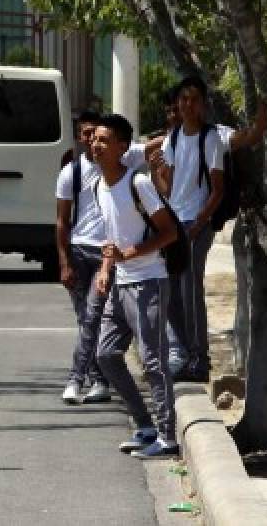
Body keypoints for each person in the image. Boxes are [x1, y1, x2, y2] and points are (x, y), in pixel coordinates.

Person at [54, 111, 161, 405]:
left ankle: (78, 379)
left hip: (108, 255)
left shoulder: (125, 168)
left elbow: (157, 146)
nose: (94, 142)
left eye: (100, 137)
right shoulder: (72, 173)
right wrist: (63, 262)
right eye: (89, 135)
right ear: (81, 137)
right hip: (79, 252)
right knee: (86, 319)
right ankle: (98, 379)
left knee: (93, 317)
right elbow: (62, 220)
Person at [91, 113, 180, 460]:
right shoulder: (99, 185)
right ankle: (144, 425)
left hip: (149, 282)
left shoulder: (138, 183)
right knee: (106, 355)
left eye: (104, 140)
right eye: (94, 139)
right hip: (120, 281)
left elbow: (169, 232)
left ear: (122, 147)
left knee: (153, 360)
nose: (95, 146)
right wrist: (106, 268)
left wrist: (130, 254)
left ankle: (167, 436)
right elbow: (112, 238)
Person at [157, 76, 224, 382]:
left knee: (190, 289)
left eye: (193, 99)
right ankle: (181, 352)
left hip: (196, 223)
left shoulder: (210, 138)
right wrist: (157, 173)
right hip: (175, 221)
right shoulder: (172, 137)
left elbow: (218, 190)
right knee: (170, 290)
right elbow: (168, 187)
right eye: (183, 99)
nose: (187, 105)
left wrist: (198, 224)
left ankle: (200, 359)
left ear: (203, 105)